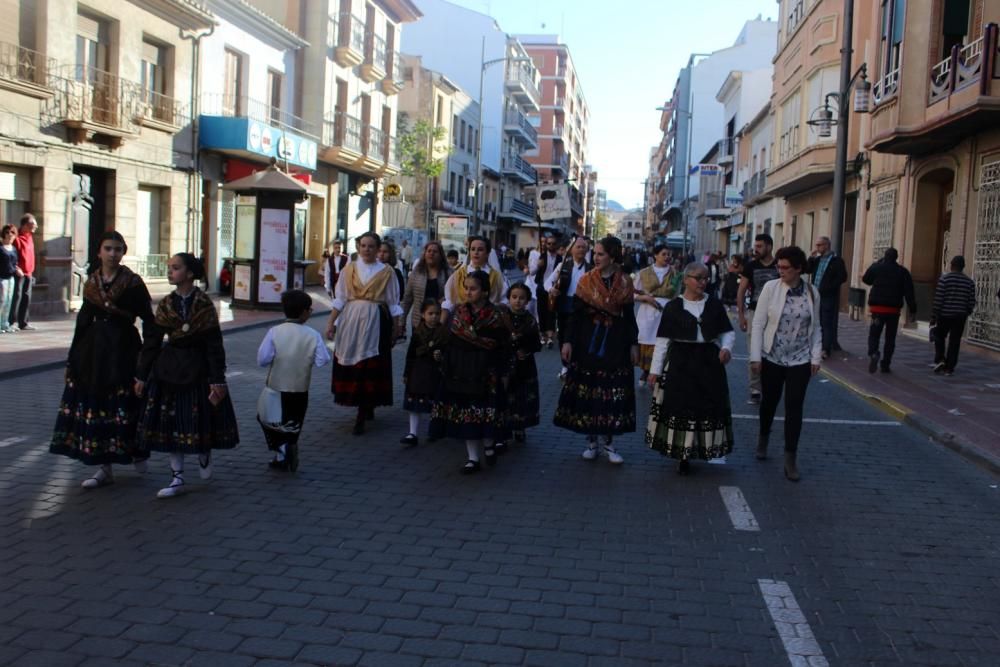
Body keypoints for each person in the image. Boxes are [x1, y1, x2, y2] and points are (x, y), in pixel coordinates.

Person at [49, 231, 155, 488]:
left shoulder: (133, 283)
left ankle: (137, 451)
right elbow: (83, 323)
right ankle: (103, 466)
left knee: (126, 402)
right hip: (94, 351)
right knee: (96, 406)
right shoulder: (91, 283)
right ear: (99, 252)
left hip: (123, 347)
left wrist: (147, 358)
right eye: (108, 248)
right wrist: (72, 359)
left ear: (123, 252)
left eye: (118, 249)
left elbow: (149, 321)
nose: (113, 253)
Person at [135, 253, 239, 498]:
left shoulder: (204, 304)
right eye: (169, 268)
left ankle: (204, 451)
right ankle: (177, 476)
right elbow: (152, 341)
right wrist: (141, 374)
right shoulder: (166, 304)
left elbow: (214, 344)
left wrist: (217, 378)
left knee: (197, 417)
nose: (170, 272)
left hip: (198, 367)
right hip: (170, 367)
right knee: (172, 422)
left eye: (176, 268)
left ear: (190, 273)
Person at [554, 236, 638, 464]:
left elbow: (629, 317)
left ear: (612, 256)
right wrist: (568, 341)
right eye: (596, 253)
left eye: (601, 254)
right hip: (587, 340)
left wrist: (633, 344)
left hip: (615, 341)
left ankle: (609, 443)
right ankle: (591, 441)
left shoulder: (625, 282)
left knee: (611, 390)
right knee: (590, 389)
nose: (596, 257)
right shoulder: (586, 281)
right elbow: (574, 314)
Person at [645, 262, 735, 474]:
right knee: (682, 407)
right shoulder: (673, 307)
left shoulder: (714, 305)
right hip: (681, 362)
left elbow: (727, 332)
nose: (703, 282)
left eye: (705, 278)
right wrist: (654, 371)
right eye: (698, 278)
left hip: (708, 362)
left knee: (706, 408)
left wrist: (727, 348)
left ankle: (704, 448)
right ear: (686, 280)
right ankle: (682, 454)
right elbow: (662, 341)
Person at [749, 246, 823, 482]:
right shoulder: (771, 289)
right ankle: (763, 437)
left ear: (798, 269)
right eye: (778, 267)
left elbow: (817, 327)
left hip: (800, 358)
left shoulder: (812, 292)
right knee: (769, 402)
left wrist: (816, 356)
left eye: (785, 268)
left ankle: (790, 458)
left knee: (794, 407)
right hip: (773, 356)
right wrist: (755, 357)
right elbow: (759, 324)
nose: (780, 271)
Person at [430, 270, 511, 474]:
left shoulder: (497, 315)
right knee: (467, 414)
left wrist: (504, 370)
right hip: (463, 371)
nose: (468, 292)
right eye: (466, 288)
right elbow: (452, 339)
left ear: (484, 291)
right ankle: (472, 458)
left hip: (486, 372)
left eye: (473, 289)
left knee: (486, 414)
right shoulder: (459, 313)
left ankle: (489, 445)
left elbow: (503, 344)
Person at [325, 231, 404, 435]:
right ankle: (361, 404)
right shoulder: (349, 269)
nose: (367, 250)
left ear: (378, 250)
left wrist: (396, 327)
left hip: (375, 320)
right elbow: (340, 298)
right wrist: (331, 323)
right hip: (351, 319)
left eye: (371, 246)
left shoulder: (387, 272)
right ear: (359, 248)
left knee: (369, 363)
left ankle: (364, 409)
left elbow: (393, 302)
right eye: (363, 246)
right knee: (353, 360)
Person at [257, 289, 331, 472]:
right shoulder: (312, 334)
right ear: (305, 312)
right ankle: (289, 446)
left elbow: (262, 359)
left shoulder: (275, 331)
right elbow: (323, 359)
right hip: (300, 387)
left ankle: (281, 454)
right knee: (294, 421)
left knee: (273, 420)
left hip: (276, 386)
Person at [737, 234, 779, 404]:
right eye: (756, 246)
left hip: (776, 313)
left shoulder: (779, 266)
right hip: (755, 313)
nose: (756, 249)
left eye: (760, 246)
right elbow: (741, 291)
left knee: (773, 351)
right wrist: (741, 315)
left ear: (769, 246)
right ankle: (755, 389)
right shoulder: (751, 266)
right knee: (754, 351)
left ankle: (770, 386)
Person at [400, 300, 448, 447]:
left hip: (435, 372)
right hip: (418, 372)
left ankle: (434, 430)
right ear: (422, 314)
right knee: (414, 403)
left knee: (435, 403)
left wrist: (441, 357)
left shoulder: (444, 333)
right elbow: (411, 354)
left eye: (437, 314)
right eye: (430, 313)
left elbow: (448, 353)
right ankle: (412, 433)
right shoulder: (418, 332)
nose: (434, 317)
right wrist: (406, 373)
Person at [862, 247, 916, 374]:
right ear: (896, 258)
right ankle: (885, 364)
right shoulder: (903, 272)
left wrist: (876, 263)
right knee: (890, 338)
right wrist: (913, 310)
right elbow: (909, 293)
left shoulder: (877, 268)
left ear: (884, 257)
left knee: (874, 334)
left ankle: (874, 353)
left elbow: (866, 279)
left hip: (877, 309)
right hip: (893, 310)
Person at [501, 283, 541, 444]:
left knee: (522, 397)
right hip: (506, 364)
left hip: (525, 367)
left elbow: (536, 344)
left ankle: (520, 427)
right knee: (505, 396)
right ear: (509, 298)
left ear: (527, 301)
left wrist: (526, 351)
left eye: (522, 298)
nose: (517, 301)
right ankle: (504, 427)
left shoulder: (530, 321)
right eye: (514, 297)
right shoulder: (502, 318)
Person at [633, 244, 677, 386]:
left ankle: (658, 373)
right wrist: (645, 298)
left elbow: (679, 294)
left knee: (663, 342)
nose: (667, 257)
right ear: (655, 256)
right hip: (647, 313)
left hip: (666, 313)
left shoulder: (675, 274)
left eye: (669, 254)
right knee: (647, 342)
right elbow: (632, 293)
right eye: (664, 254)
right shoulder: (644, 273)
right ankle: (646, 371)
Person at [546, 237, 593, 362]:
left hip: (582, 307)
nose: (581, 250)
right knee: (563, 336)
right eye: (578, 247)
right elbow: (547, 283)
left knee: (579, 337)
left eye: (584, 247)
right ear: (571, 250)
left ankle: (576, 364)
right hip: (564, 306)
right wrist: (552, 290)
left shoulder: (591, 269)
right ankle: (565, 365)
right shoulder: (563, 266)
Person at [441, 236, 507, 321]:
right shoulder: (459, 274)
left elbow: (504, 300)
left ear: (487, 253)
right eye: (472, 249)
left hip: (488, 321)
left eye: (480, 249)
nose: (476, 252)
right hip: (463, 322)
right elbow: (449, 301)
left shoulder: (496, 276)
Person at [931, 255, 976, 376]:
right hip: (960, 316)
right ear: (963, 267)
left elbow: (939, 298)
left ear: (951, 265)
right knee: (954, 341)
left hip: (945, 315)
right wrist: (967, 311)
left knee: (939, 336)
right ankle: (949, 368)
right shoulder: (969, 282)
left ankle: (940, 359)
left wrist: (935, 315)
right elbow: (971, 300)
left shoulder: (944, 279)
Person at [806, 236, 848, 358]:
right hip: (815, 295)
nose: (817, 248)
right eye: (816, 245)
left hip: (827, 296)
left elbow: (842, 277)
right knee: (814, 321)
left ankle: (825, 349)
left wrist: (830, 287)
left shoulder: (836, 261)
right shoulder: (817, 259)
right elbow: (807, 270)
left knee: (826, 323)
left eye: (819, 245)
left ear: (826, 245)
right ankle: (815, 346)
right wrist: (811, 257)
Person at [401, 240, 449, 331]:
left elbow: (453, 297)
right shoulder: (416, 273)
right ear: (425, 253)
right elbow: (407, 298)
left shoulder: (448, 273)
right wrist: (401, 321)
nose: (431, 254)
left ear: (440, 255)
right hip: (419, 321)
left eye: (435, 252)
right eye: (429, 251)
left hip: (440, 321)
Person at [529, 236, 562, 348]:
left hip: (553, 289)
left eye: (553, 244)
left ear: (556, 245)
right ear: (546, 245)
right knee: (541, 311)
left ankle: (550, 337)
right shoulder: (541, 257)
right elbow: (531, 272)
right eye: (549, 244)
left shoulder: (560, 259)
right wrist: (538, 265)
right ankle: (542, 334)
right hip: (541, 288)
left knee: (551, 312)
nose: (551, 246)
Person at [9, 213, 37, 331]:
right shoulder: (17, 239)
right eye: (33, 224)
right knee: (17, 297)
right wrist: (16, 268)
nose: (36, 227)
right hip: (19, 273)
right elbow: (13, 256)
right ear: (25, 225)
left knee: (26, 297)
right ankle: (12, 322)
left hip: (29, 272)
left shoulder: (30, 237)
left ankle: (23, 322)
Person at [0, 224, 18, 333]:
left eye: (12, 232)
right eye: (8, 232)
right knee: (1, 301)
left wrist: (17, 269)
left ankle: (5, 324)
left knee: (9, 301)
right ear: (4, 234)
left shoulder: (14, 249)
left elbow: (15, 263)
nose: (10, 235)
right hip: (1, 278)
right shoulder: (1, 248)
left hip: (11, 278)